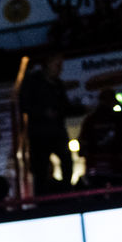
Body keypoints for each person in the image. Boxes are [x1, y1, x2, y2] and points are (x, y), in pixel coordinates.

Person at [18, 53, 74, 196]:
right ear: (48, 64)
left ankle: (67, 191)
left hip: (57, 132)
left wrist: (80, 109)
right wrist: (43, 112)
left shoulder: (58, 84)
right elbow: (24, 104)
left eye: (61, 65)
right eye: (57, 65)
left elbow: (65, 106)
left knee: (67, 161)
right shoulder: (33, 82)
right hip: (39, 134)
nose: (60, 69)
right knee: (40, 168)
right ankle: (41, 199)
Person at [77, 89, 122, 189]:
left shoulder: (91, 119)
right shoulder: (117, 118)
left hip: (108, 164)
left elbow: (83, 141)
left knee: (100, 193)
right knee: (119, 194)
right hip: (109, 164)